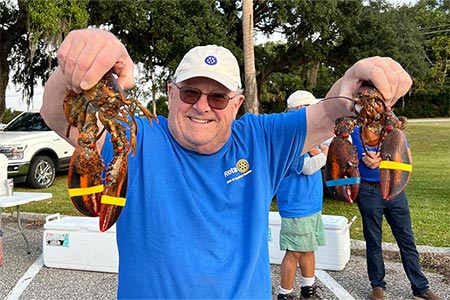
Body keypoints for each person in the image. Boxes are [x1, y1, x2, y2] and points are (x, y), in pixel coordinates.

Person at [40, 28, 412, 299]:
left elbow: (333, 111)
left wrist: (354, 78)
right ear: (171, 94)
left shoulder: (261, 139)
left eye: (218, 97)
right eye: (190, 92)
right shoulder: (137, 137)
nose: (202, 106)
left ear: (237, 103)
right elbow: (58, 114)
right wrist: (76, 66)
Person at [351, 126, 441, 300]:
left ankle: (420, 287)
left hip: (395, 190)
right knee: (373, 240)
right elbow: (369, 162)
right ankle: (377, 285)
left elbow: (406, 156)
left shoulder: (395, 130)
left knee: (407, 239)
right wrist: (386, 158)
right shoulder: (357, 130)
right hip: (369, 191)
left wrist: (383, 160)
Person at [276, 91, 329, 300]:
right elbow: (308, 167)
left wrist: (319, 150)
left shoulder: (305, 135)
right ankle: (285, 294)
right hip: (296, 205)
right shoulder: (288, 137)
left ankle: (308, 289)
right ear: (300, 109)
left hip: (311, 204)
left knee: (308, 248)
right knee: (294, 251)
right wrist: (322, 153)